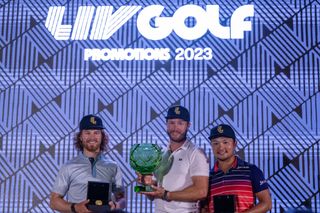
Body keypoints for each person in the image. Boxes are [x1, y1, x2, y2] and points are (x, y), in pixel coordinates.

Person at [137, 105, 209, 213]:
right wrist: (145, 183)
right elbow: (154, 195)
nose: (175, 128)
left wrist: (167, 195)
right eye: (171, 122)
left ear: (188, 125)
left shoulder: (196, 153)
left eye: (180, 123)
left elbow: (201, 192)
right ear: (166, 124)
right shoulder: (160, 155)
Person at [50, 114, 125, 213]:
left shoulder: (113, 166)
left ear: (102, 136)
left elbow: (122, 199)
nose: (92, 137)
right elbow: (54, 201)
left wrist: (116, 204)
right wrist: (75, 207)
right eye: (87, 133)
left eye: (96, 133)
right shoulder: (68, 167)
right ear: (80, 136)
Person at [202, 124, 272, 213]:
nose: (221, 147)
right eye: (215, 143)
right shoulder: (207, 178)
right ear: (211, 146)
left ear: (235, 144)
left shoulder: (251, 170)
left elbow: (267, 203)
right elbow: (204, 209)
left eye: (225, 142)